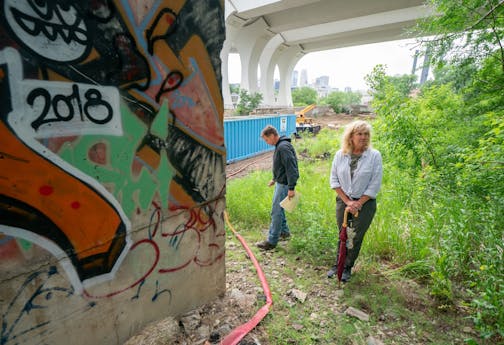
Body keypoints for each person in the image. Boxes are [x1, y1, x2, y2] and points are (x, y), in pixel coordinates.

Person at [327, 120, 382, 282]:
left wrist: (358, 203)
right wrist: (347, 201)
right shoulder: (340, 155)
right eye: (359, 134)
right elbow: (334, 180)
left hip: (365, 204)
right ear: (351, 137)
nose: (363, 137)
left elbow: (375, 183)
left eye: (366, 134)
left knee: (355, 236)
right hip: (343, 201)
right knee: (343, 235)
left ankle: (347, 267)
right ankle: (338, 264)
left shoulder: (374, 156)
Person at [256, 125, 299, 251]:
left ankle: (272, 241)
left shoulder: (283, 147)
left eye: (266, 140)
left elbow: (291, 168)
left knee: (276, 211)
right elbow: (281, 166)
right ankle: (284, 233)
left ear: (272, 136)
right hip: (281, 182)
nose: (266, 142)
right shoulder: (280, 146)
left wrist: (291, 188)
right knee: (280, 209)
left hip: (285, 184)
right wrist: (274, 179)